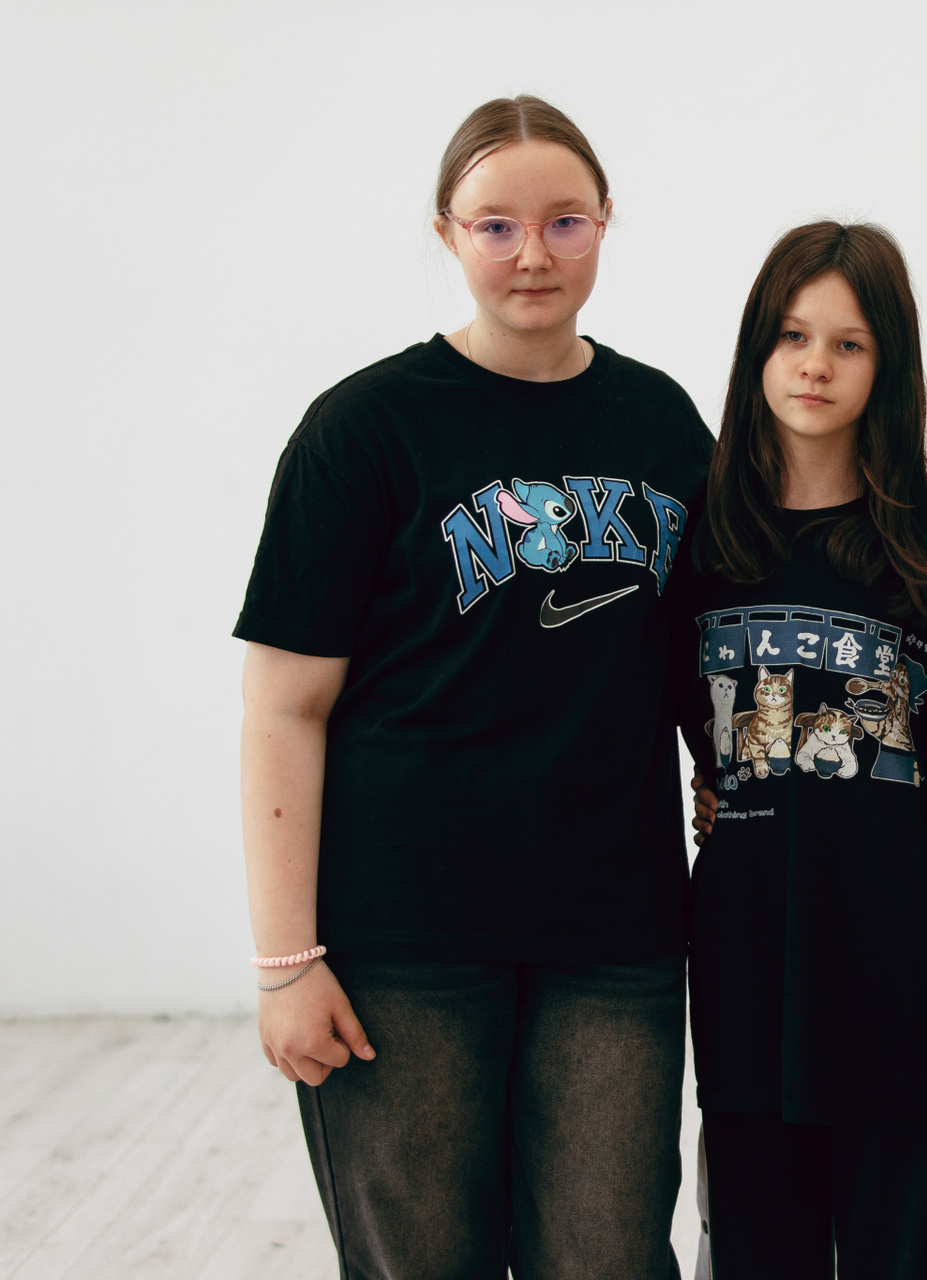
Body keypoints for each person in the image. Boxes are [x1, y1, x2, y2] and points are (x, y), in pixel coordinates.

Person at [235, 95, 709, 1279]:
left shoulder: (660, 423)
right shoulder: (364, 430)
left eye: (564, 221)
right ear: (446, 232)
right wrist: (286, 960)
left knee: (607, 1258)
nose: (532, 252)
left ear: (606, 223)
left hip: (614, 934)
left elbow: (725, 632)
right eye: (496, 225)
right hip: (406, 941)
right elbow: (284, 704)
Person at [675, 221, 927, 1279]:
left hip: (900, 983)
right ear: (757, 348)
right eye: (793, 336)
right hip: (748, 978)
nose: (815, 365)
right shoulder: (700, 545)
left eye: (849, 344)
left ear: (888, 364)